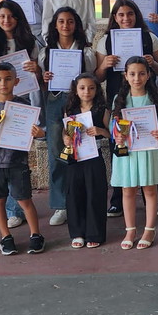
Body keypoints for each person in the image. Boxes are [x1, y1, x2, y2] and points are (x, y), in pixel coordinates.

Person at [0, 0, 43, 229]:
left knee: (15, 155)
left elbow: (39, 72)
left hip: (22, 101)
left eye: (11, 16)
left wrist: (36, 69)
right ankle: (3, 206)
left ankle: (14, 209)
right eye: (2, 16)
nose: (6, 20)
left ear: (18, 18)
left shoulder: (29, 41)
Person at [0, 62, 45, 255]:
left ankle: (36, 235)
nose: (3, 84)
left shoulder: (24, 106)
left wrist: (39, 133)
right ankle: (5, 237)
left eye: (8, 79)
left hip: (17, 162)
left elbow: (36, 131)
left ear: (16, 81)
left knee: (25, 200)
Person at [41, 7, 97, 227]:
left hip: (79, 103)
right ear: (55, 25)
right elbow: (40, 82)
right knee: (57, 152)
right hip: (55, 101)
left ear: (77, 25)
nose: (66, 25)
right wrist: (44, 77)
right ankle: (61, 204)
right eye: (61, 21)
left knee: (82, 151)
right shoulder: (46, 52)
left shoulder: (86, 51)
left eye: (70, 21)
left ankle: (81, 199)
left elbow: (91, 77)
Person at [109, 57, 158, 250]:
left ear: (148, 75)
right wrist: (117, 135)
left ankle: (149, 229)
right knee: (128, 190)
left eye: (142, 73)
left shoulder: (154, 98)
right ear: (125, 76)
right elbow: (112, 126)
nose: (137, 78)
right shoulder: (119, 100)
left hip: (148, 150)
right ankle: (130, 230)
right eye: (132, 74)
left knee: (150, 189)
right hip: (127, 152)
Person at [63, 73, 110, 249]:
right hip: (75, 157)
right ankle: (77, 233)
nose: (86, 92)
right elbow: (65, 131)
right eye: (82, 88)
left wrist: (100, 131)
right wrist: (66, 139)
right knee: (74, 194)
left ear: (97, 90)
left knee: (95, 193)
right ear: (75, 90)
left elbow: (111, 133)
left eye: (91, 88)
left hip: (94, 156)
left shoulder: (102, 110)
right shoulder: (70, 110)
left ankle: (95, 233)